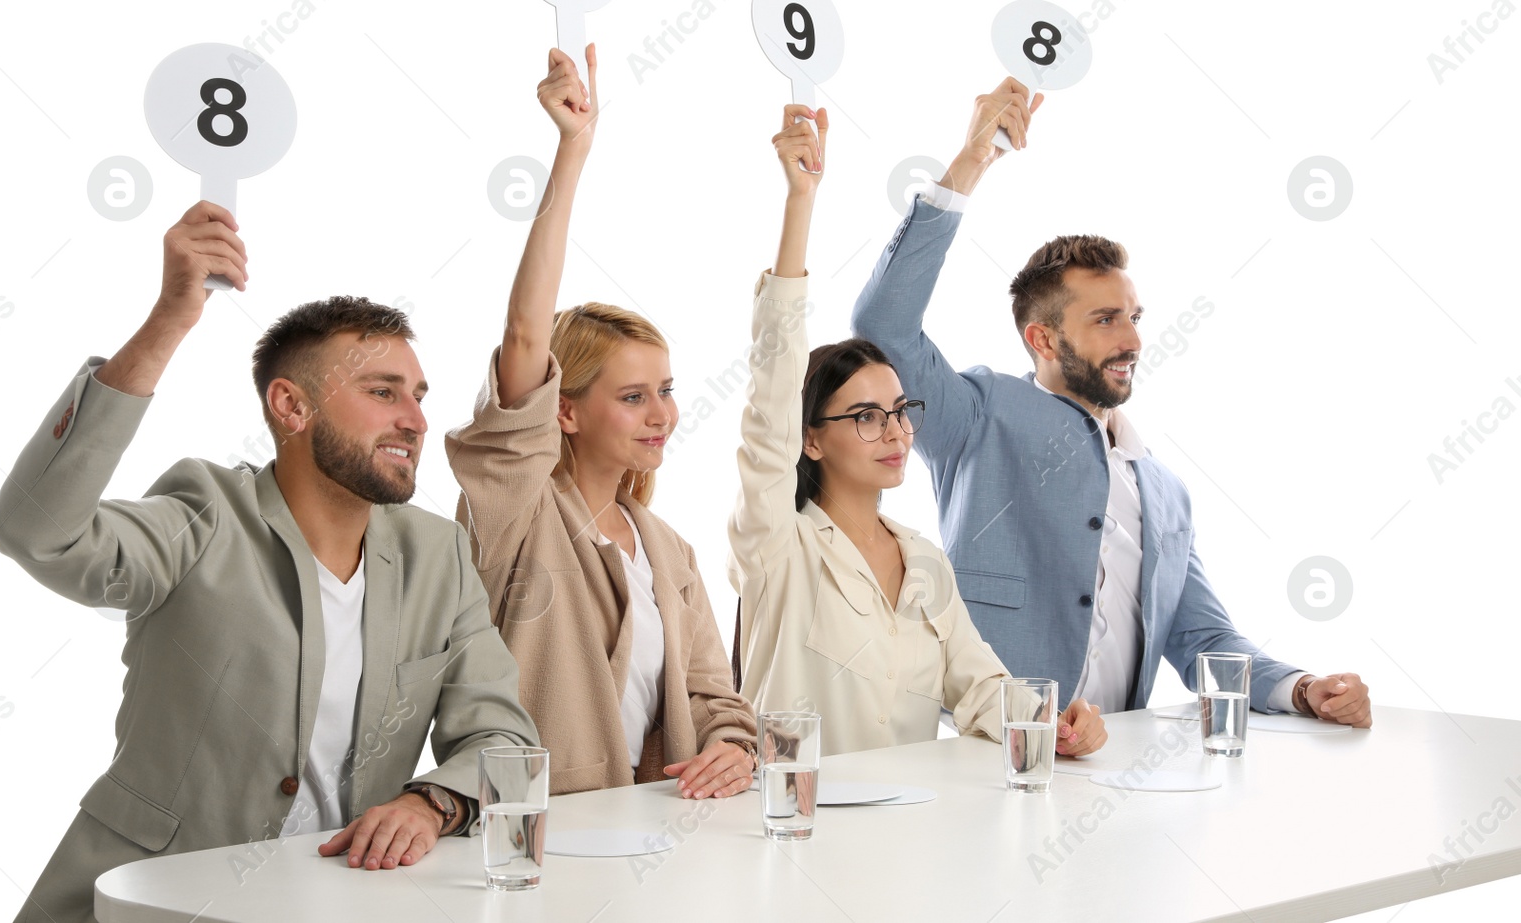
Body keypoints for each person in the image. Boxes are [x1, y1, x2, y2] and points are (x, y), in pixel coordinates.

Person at [0, 203, 540, 923]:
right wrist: (168, 322)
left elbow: (505, 739)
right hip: (150, 903)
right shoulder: (203, 511)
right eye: (382, 391)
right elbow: (36, 531)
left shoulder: (436, 553)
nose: (415, 418)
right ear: (291, 406)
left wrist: (430, 801)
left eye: (418, 394)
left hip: (340, 902)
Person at [850, 79, 1371, 727]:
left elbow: (1203, 640)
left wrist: (1302, 688)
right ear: (1042, 337)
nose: (1131, 338)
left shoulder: (1166, 489)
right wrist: (970, 162)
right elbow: (883, 324)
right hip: (987, 763)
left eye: (1133, 315)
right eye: (1104, 319)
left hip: (1111, 780)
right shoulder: (978, 419)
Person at [727, 104, 1106, 758]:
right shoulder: (778, 546)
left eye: (900, 410)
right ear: (810, 437)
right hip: (795, 834)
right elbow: (770, 398)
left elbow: (983, 691)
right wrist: (800, 203)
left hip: (904, 837)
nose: (896, 431)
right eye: (865, 416)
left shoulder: (925, 562)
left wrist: (1054, 721)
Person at [447, 45, 757, 799]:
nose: (663, 414)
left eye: (667, 389)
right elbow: (525, 339)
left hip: (651, 842)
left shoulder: (668, 552)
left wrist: (730, 747)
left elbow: (718, 700)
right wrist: (572, 152)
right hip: (528, 846)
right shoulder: (516, 515)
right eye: (632, 396)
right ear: (564, 409)